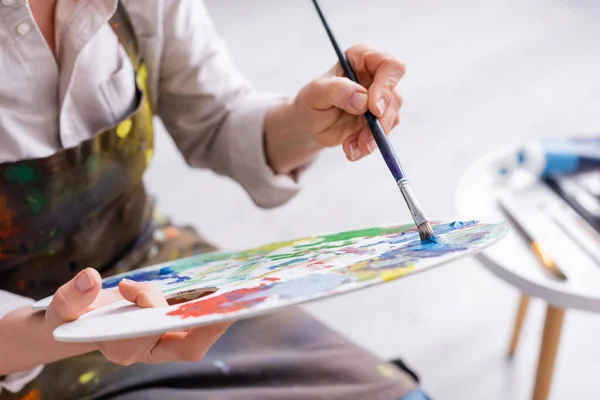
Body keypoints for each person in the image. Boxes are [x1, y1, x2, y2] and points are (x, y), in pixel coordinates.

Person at [0, 1, 431, 399]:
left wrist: (306, 122)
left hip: (156, 273)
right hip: (20, 347)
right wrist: (71, 330)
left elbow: (216, 120)